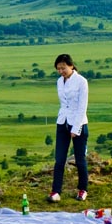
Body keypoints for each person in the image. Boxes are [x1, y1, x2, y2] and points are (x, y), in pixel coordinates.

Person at [47, 53, 89, 202]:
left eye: (63, 68)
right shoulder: (59, 81)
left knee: (80, 159)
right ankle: (56, 191)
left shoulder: (81, 81)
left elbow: (82, 106)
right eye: (58, 69)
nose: (61, 71)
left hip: (78, 123)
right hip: (62, 122)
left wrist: (75, 128)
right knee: (59, 159)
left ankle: (82, 189)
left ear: (71, 66)